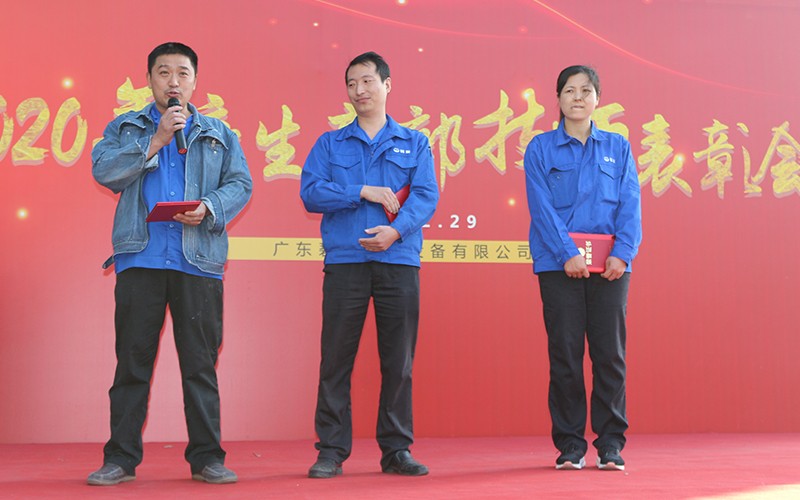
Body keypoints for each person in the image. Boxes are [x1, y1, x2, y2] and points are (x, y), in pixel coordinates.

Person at [88, 42, 252, 485]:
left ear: (195, 81)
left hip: (197, 261)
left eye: (182, 73)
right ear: (149, 80)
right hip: (140, 258)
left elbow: (241, 183)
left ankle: (207, 458)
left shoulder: (219, 133)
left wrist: (209, 206)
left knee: (200, 366)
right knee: (132, 363)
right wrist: (156, 140)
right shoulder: (125, 127)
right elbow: (104, 171)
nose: (173, 81)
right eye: (163, 73)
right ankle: (120, 459)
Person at [300, 51, 439, 479]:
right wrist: (361, 190)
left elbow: (426, 195)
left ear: (387, 84)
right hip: (346, 261)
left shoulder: (415, 142)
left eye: (367, 81)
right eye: (351, 84)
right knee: (335, 359)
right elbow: (311, 193)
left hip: (398, 260)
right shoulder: (330, 143)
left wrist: (395, 232)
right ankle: (331, 451)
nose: (359, 90)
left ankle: (397, 449)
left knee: (398, 360)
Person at [524, 65, 642, 471]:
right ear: (557, 99)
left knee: (610, 356)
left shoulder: (618, 146)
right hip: (558, 264)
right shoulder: (540, 148)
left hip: (610, 266)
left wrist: (622, 253)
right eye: (569, 91)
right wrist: (566, 253)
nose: (578, 97)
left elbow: (630, 202)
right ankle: (570, 445)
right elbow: (540, 206)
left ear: (597, 99)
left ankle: (610, 444)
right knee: (565, 354)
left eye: (586, 90)